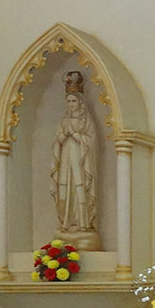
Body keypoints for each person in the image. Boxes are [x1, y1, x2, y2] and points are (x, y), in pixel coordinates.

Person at [51, 71, 98, 248]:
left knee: (80, 189)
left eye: (73, 101)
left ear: (80, 103)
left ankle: (84, 223)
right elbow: (57, 143)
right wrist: (62, 138)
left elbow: (92, 142)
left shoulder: (86, 121)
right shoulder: (63, 122)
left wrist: (77, 136)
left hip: (81, 160)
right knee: (65, 189)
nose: (71, 104)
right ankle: (66, 223)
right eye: (68, 101)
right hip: (65, 160)